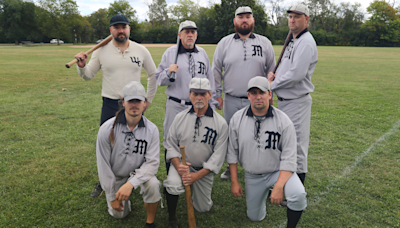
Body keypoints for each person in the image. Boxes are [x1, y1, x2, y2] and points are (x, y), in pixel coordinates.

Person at [74, 14, 158, 197]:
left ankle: (136, 179)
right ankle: (105, 182)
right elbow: (88, 75)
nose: (121, 30)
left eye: (124, 27)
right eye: (116, 27)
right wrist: (81, 66)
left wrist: (148, 99)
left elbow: (153, 75)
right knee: (108, 144)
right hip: (110, 103)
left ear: (129, 29)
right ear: (111, 30)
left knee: (135, 142)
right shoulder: (101, 51)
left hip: (134, 103)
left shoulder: (140, 50)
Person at [227, 76, 307, 227]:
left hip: (277, 172)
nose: (258, 97)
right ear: (248, 95)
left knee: (298, 194)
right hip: (252, 175)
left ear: (270, 95)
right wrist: (234, 180)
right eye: (254, 93)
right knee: (255, 217)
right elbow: (232, 152)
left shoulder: (284, 121)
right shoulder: (237, 119)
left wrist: (278, 186)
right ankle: (260, 198)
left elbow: (289, 158)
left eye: (262, 92)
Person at [212, 6, 276, 180]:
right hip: (232, 98)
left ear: (253, 20)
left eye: (248, 17)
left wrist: (270, 93)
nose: (244, 20)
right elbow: (216, 70)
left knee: (258, 133)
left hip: (257, 99)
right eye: (241, 17)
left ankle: (258, 167)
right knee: (231, 134)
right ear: (235, 21)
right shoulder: (224, 43)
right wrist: (217, 93)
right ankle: (229, 167)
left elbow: (272, 69)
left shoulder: (264, 42)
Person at [163, 78, 228, 228]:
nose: (199, 97)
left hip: (202, 170)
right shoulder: (180, 118)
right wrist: (179, 166)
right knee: (173, 185)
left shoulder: (221, 123)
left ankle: (195, 187)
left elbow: (218, 157)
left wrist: (196, 176)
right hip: (182, 166)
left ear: (210, 94)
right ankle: (172, 218)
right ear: (190, 94)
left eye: (203, 94)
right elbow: (170, 144)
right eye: (195, 93)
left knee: (203, 208)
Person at [155, 20, 218, 173]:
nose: (190, 34)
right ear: (179, 35)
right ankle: (171, 175)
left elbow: (210, 79)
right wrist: (168, 72)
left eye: (193, 32)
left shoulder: (202, 53)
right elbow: (159, 79)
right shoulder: (170, 53)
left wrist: (213, 101)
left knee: (197, 139)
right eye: (186, 31)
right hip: (176, 104)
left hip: (199, 106)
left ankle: (196, 173)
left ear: (196, 35)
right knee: (171, 140)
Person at [96, 81, 161, 228]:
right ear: (123, 102)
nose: (134, 105)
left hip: (139, 174)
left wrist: (131, 184)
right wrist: (112, 195)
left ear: (144, 103)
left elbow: (152, 163)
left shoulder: (152, 130)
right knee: (118, 214)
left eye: (138, 100)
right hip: (117, 176)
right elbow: (103, 165)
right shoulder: (106, 129)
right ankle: (122, 198)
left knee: (153, 184)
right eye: (130, 100)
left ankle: (150, 223)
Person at [268, 4, 318, 185]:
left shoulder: (305, 42)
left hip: (297, 101)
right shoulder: (294, 40)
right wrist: (275, 75)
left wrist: (271, 85)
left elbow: (296, 74)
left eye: (297, 16)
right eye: (290, 16)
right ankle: (284, 185)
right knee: (285, 144)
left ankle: (296, 193)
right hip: (286, 102)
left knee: (296, 147)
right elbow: (287, 68)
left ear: (306, 19)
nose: (292, 19)